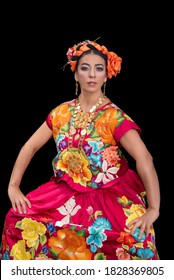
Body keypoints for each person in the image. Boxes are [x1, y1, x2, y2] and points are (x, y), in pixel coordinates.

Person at [0, 39, 160, 260]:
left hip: (109, 194)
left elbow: (145, 159)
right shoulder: (61, 113)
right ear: (76, 75)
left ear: (106, 75)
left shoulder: (113, 117)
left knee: (133, 239)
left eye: (99, 69)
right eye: (85, 68)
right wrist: (13, 186)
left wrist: (154, 208)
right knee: (17, 220)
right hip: (64, 193)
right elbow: (31, 146)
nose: (92, 74)